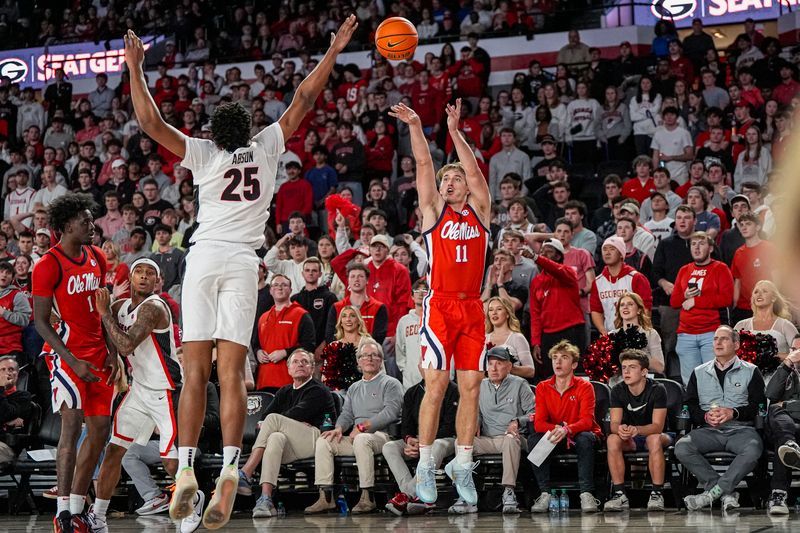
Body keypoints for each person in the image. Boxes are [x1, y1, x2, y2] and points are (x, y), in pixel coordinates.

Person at [124, 19, 358, 527]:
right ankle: (231, 466)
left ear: (215, 131)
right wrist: (334, 50)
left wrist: (136, 68)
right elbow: (303, 97)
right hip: (243, 261)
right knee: (231, 375)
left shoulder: (204, 152)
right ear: (249, 128)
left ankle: (185, 468)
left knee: (194, 375)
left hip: (205, 257)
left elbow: (149, 122)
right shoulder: (269, 146)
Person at [389, 99, 491, 508]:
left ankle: (462, 462)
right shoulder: (433, 213)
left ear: (467, 185)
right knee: (436, 385)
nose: (448, 183)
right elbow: (423, 167)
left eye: (455, 179)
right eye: (445, 180)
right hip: (440, 307)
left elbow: (476, 171)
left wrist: (454, 132)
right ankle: (426, 463)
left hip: (472, 309)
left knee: (471, 387)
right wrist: (416, 125)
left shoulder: (482, 211)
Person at [31, 193, 118, 532]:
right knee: (71, 428)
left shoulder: (97, 256)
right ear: (67, 226)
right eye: (84, 220)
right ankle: (63, 511)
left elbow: (104, 309)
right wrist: (72, 361)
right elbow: (40, 321)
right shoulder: (48, 264)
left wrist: (112, 350)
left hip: (99, 353)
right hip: (65, 354)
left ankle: (80, 507)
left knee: (99, 432)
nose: (91, 225)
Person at [87, 259, 191, 533]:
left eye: (150, 274)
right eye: (139, 272)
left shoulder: (155, 308)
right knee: (114, 450)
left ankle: (193, 503)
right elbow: (109, 335)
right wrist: (111, 356)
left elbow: (126, 343)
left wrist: (104, 315)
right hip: (139, 389)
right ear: (131, 278)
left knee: (171, 462)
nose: (144, 277)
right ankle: (97, 516)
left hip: (166, 389)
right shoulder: (120, 306)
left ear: (158, 282)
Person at [305, 340, 403, 514]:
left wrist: (364, 426)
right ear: (358, 361)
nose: (369, 358)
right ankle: (326, 497)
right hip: (357, 437)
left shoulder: (391, 383)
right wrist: (338, 428)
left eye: (374, 355)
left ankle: (367, 496)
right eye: (365, 355)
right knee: (324, 441)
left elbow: (391, 413)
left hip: (382, 437)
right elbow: (347, 414)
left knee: (362, 439)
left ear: (381, 360)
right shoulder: (354, 388)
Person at [235, 349, 336, 517]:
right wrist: (288, 423)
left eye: (305, 362)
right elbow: (263, 420)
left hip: (318, 440)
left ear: (312, 368)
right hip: (293, 443)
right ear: (288, 369)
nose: (300, 365)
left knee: (275, 421)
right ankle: (266, 500)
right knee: (275, 437)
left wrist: (282, 421)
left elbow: (284, 416)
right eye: (295, 362)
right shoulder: (285, 391)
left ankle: (246, 472)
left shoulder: (318, 390)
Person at [675, 326, 765, 512]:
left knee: (753, 450)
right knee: (682, 447)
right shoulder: (698, 372)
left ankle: (712, 494)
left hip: (741, 429)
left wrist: (734, 413)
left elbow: (758, 405)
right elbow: (690, 403)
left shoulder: (751, 370)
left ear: (736, 345)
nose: (718, 342)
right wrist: (705, 416)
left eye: (724, 339)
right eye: (716, 339)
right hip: (708, 430)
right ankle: (725, 493)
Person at [529, 341, 602, 513]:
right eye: (555, 358)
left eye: (564, 358)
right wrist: (558, 429)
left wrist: (567, 429)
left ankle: (586, 494)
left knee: (584, 438)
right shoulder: (542, 387)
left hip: (580, 434)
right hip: (556, 434)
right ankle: (544, 493)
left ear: (574, 364)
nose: (558, 362)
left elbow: (587, 421)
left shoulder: (585, 386)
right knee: (533, 439)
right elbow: (539, 423)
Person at [467, 346, 534, 515]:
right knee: (462, 444)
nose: (494, 368)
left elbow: (535, 413)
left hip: (513, 438)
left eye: (499, 363)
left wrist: (518, 421)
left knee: (511, 440)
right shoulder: (480, 385)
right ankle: (465, 494)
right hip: (488, 439)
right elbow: (478, 413)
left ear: (509, 367)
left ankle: (509, 491)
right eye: (490, 364)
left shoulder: (520, 384)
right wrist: (476, 421)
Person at [604, 349, 671, 512]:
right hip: (631, 438)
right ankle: (620, 495)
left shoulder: (657, 389)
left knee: (653, 439)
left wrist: (637, 429)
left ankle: (657, 494)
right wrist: (621, 429)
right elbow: (613, 424)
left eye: (632, 367)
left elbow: (658, 426)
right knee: (612, 439)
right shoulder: (618, 390)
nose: (626, 371)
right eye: (624, 367)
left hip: (658, 436)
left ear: (644, 372)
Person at [383, 379, 458, 516]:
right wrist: (410, 440)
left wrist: (424, 442)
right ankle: (416, 498)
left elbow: (450, 426)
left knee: (436, 445)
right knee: (389, 447)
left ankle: (406, 494)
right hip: (418, 440)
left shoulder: (453, 390)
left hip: (444, 439)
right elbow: (406, 425)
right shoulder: (412, 392)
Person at [671, 232, 734, 385]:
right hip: (686, 335)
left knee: (714, 379)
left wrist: (696, 301)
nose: (697, 247)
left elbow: (726, 299)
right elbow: (674, 302)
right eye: (693, 244)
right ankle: (693, 409)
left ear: (711, 248)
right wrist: (685, 295)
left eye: (701, 243)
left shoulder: (720, 268)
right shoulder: (684, 270)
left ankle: (714, 409)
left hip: (711, 333)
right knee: (690, 382)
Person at [528, 237, 585, 377]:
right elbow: (535, 314)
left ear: (559, 255)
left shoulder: (568, 272)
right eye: (542, 252)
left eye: (548, 251)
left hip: (571, 330)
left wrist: (536, 257)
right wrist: (536, 342)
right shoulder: (536, 281)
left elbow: (556, 269)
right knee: (550, 375)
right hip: (548, 335)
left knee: (574, 373)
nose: (544, 254)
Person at [255, 274, 316, 391]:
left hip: (290, 381)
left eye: (284, 285)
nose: (280, 288)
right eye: (276, 285)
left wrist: (285, 352)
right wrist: (257, 351)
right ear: (271, 290)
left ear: (291, 290)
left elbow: (309, 346)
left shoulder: (302, 315)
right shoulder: (263, 317)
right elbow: (255, 343)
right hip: (263, 381)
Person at [764, 338, 800, 515]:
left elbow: (782, 404)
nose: (796, 354)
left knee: (783, 444)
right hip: (785, 426)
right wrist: (786, 365)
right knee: (774, 412)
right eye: (793, 349)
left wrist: (786, 405)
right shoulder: (787, 371)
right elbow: (770, 395)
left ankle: (778, 494)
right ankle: (790, 445)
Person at [590, 236, 652, 336]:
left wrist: (639, 331)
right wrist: (602, 330)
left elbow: (645, 307)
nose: (607, 252)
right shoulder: (598, 281)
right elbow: (596, 310)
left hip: (634, 334)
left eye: (612, 249)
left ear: (621, 254)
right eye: (604, 249)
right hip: (610, 334)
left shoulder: (636, 278)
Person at [734, 280, 798, 359]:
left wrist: (775, 356)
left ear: (773, 298)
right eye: (756, 292)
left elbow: (798, 353)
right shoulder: (741, 325)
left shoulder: (785, 325)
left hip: (778, 370)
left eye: (764, 291)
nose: (759, 294)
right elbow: (730, 354)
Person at [730, 213, 775, 325]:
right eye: (741, 224)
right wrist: (734, 304)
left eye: (748, 224)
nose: (744, 227)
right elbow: (738, 281)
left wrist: (774, 301)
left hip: (765, 305)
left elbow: (777, 277)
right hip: (744, 308)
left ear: (758, 227)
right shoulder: (738, 253)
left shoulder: (769, 248)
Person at [291, 257, 338, 357]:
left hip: (321, 352)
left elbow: (333, 325)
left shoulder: (329, 297)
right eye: (307, 270)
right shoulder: (294, 299)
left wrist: (324, 345)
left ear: (320, 274)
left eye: (314, 270)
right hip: (297, 352)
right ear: (302, 273)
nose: (310, 273)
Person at [611, 293, 664, 374]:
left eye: (630, 304)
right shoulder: (612, 335)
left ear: (639, 310)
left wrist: (638, 353)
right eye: (622, 305)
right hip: (617, 382)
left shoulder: (650, 334)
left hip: (642, 381)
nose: (625, 307)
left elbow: (660, 367)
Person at [485, 296, 535, 379]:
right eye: (491, 310)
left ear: (507, 314)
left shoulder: (517, 338)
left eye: (499, 309)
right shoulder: (484, 339)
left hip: (511, 386)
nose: (494, 313)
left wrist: (507, 368)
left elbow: (530, 371)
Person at [0, 356, 36, 466]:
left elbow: (5, 413)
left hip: (5, 446)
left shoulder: (23, 397)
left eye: (11, 369)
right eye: (2, 370)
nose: (7, 373)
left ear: (17, 374)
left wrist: (1, 387)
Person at [395, 278, 427, 390]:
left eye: (425, 290)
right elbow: (399, 349)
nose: (421, 294)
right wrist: (405, 369)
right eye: (417, 291)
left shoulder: (436, 320)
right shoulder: (404, 321)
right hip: (410, 379)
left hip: (433, 376)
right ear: (412, 296)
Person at [0, 262, 31, 359]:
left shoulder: (18, 295)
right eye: (1, 271)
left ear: (13, 278)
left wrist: (3, 312)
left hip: (10, 347)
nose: (4, 274)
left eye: (8, 273)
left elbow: (25, 320)